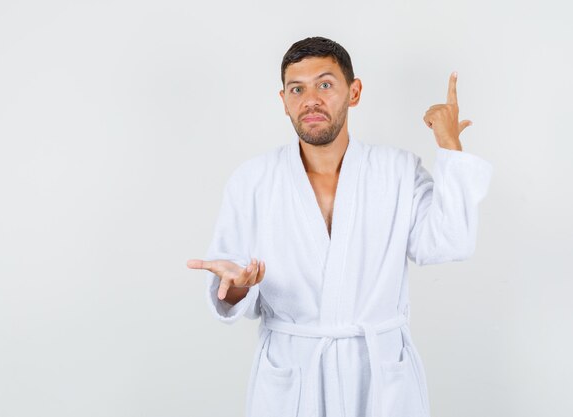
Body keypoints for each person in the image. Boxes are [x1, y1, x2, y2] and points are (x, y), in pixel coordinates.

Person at [186, 36, 493, 417]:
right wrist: (235, 289)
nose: (310, 99)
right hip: (293, 375)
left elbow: (450, 242)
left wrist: (449, 146)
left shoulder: (397, 171)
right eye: (297, 89)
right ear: (283, 101)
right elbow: (228, 288)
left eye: (325, 84)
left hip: (378, 374)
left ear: (354, 92)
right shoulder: (252, 180)